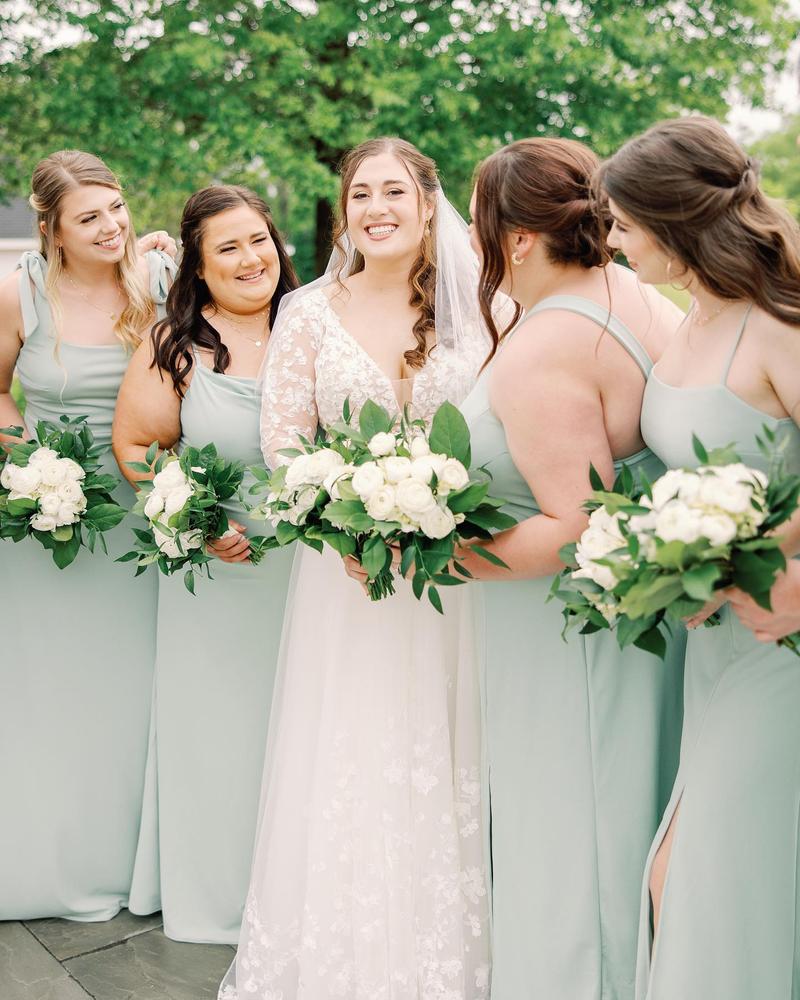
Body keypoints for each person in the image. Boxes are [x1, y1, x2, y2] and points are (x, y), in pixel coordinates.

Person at [220, 138, 490, 999]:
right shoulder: (305, 310)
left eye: (394, 191)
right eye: (361, 193)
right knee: (348, 748)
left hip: (458, 576)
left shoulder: (478, 304)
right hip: (347, 576)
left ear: (426, 201)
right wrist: (342, 527)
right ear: (345, 210)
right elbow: (284, 441)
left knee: (451, 750)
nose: (377, 207)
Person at [457, 136, 686, 999]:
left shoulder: (543, 347)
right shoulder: (631, 292)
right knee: (623, 798)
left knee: (572, 814)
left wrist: (440, 558)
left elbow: (578, 524)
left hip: (568, 633)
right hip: (637, 615)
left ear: (514, 238)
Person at [599, 114, 800, 1000]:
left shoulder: (778, 326)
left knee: (691, 873)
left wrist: (760, 559)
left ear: (675, 224)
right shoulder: (685, 318)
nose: (613, 241)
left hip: (780, 637)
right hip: (711, 644)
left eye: (625, 226)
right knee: (726, 872)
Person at [112, 184, 299, 943]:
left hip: (311, 574)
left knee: (308, 729)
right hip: (215, 581)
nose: (251, 258)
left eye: (259, 239)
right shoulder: (174, 344)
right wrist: (199, 516)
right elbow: (136, 449)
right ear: (198, 262)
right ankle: (220, 897)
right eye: (228, 247)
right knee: (221, 737)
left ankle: (302, 895)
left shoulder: (315, 326)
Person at [0, 149, 174, 921]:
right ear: (52, 229)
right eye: (89, 217)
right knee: (45, 692)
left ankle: (127, 865)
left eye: (117, 208)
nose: (112, 227)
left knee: (129, 692)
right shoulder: (18, 294)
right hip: (42, 527)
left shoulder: (161, 283)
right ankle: (40, 859)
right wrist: (33, 467)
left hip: (139, 517)